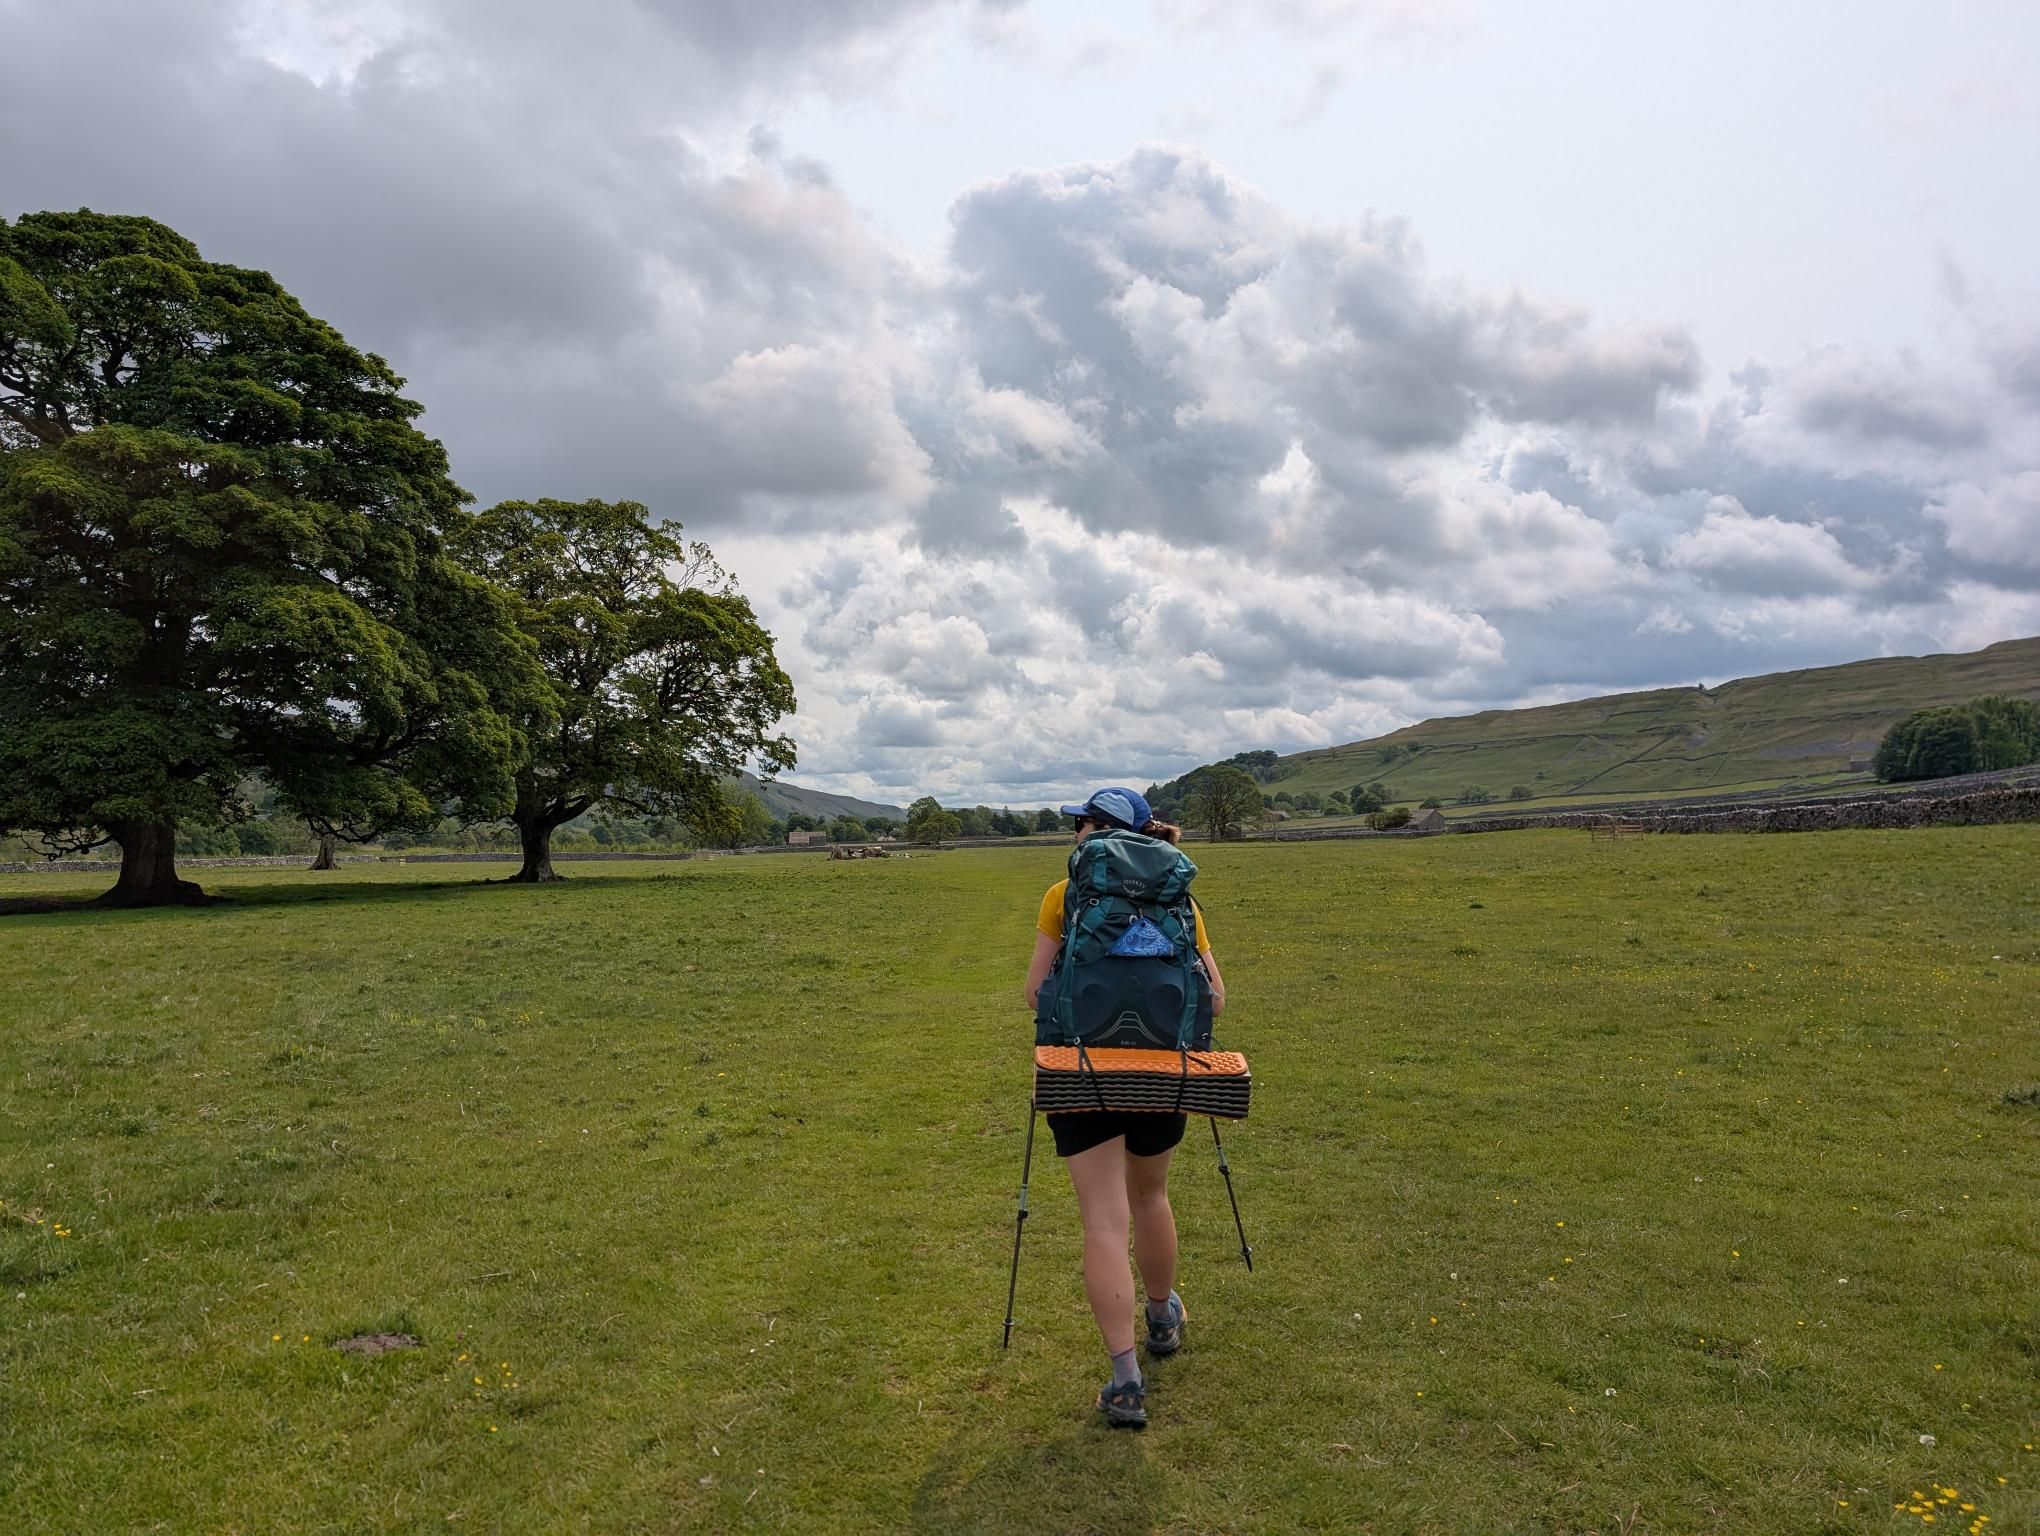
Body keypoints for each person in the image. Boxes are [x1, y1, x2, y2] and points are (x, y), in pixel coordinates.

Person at [1022, 785, 1228, 1429]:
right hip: (1161, 1073)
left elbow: (1034, 994)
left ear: (1093, 831)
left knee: (1104, 1222)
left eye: (1080, 821)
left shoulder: (1063, 896)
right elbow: (1214, 999)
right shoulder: (1177, 895)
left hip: (1080, 1072)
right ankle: (1163, 1316)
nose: (1075, 830)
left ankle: (1125, 1379)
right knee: (1151, 1198)